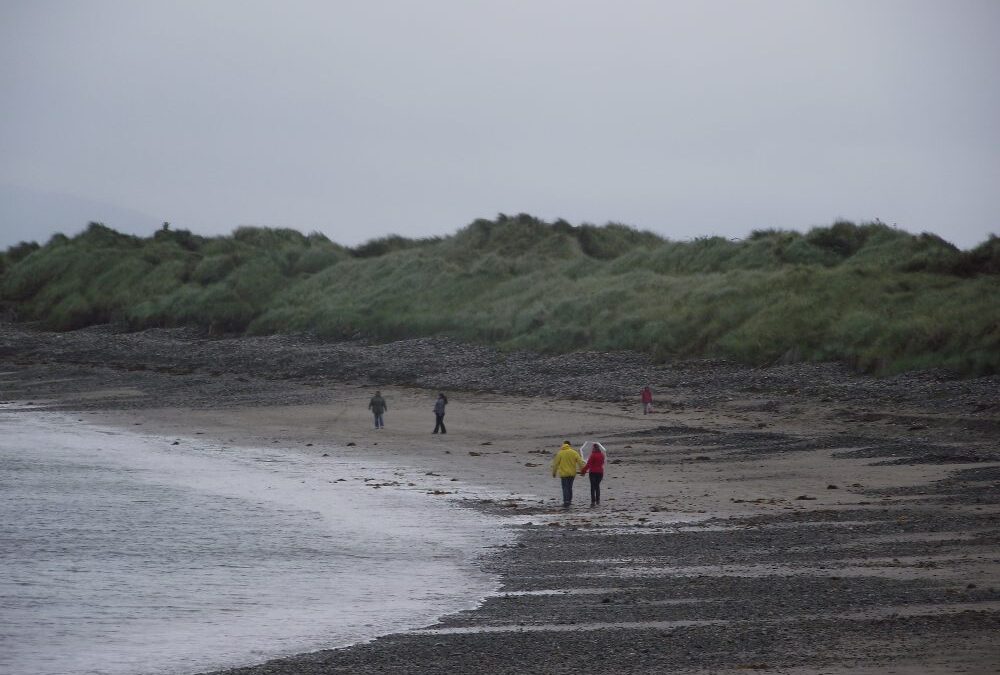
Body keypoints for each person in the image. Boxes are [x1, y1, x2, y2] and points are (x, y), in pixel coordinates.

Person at [551, 440, 585, 507]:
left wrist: (554, 473)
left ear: (563, 444)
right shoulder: (574, 452)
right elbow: (580, 462)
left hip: (563, 474)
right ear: (569, 445)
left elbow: (555, 464)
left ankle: (566, 501)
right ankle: (569, 500)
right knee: (569, 487)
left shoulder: (560, 453)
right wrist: (582, 471)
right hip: (572, 473)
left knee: (565, 488)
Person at [580, 442, 606, 507]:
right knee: (597, 486)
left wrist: (583, 471)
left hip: (593, 472)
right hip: (600, 472)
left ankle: (593, 501)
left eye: (593, 448)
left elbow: (588, 464)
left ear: (594, 448)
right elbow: (602, 463)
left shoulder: (592, 455)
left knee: (592, 487)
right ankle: (598, 500)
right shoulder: (602, 455)